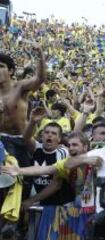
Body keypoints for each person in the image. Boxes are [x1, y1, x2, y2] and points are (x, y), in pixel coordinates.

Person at [0, 46, 46, 197]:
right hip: (1, 141)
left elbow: (40, 79)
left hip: (22, 140)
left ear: (11, 71)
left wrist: (40, 56)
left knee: (23, 183)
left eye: (1, 67)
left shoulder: (20, 87)